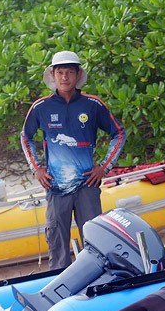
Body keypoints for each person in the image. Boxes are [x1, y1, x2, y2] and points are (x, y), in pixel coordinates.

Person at [20, 50, 127, 270]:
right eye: (60, 72)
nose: (65, 77)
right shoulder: (41, 107)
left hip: (88, 184)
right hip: (55, 186)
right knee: (57, 238)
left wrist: (104, 168)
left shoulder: (93, 105)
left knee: (95, 235)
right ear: (52, 75)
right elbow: (25, 137)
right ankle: (59, 280)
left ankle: (98, 275)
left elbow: (119, 133)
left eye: (70, 72)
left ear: (78, 75)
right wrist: (37, 169)